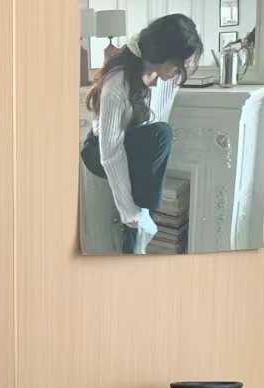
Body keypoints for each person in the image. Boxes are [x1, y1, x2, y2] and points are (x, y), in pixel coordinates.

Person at [81, 15, 203, 254]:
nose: (181, 70)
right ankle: (136, 230)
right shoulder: (117, 84)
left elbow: (156, 121)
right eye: (178, 63)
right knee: (162, 135)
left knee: (159, 136)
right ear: (161, 54)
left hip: (131, 143)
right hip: (98, 151)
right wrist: (130, 212)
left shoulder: (166, 78)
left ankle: (136, 240)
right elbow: (111, 152)